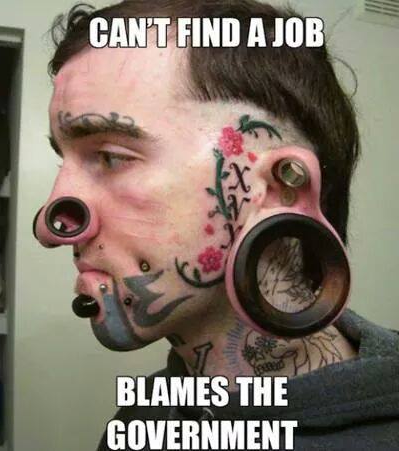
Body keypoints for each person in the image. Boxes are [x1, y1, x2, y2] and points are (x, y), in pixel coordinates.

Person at [33, 1, 399, 450]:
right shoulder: (136, 423)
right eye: (64, 160)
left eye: (111, 157)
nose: (49, 225)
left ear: (279, 187)